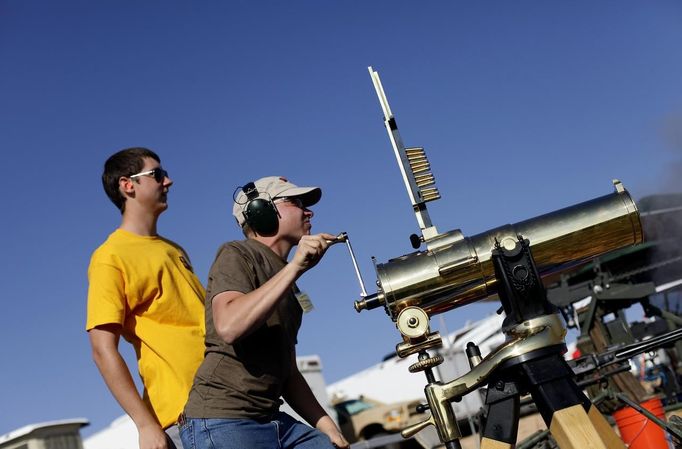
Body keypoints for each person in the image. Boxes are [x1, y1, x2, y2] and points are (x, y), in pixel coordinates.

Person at [181, 176, 349, 449]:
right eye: (296, 202)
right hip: (224, 420)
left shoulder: (288, 282)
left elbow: (289, 373)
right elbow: (229, 326)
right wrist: (295, 267)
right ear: (261, 211)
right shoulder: (237, 254)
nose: (309, 211)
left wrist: (330, 430)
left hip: (271, 418)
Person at [86, 147, 205, 449]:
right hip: (186, 416)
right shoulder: (109, 257)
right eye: (158, 174)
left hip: (229, 400)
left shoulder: (173, 249)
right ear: (128, 185)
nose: (168, 181)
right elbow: (102, 349)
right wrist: (145, 424)